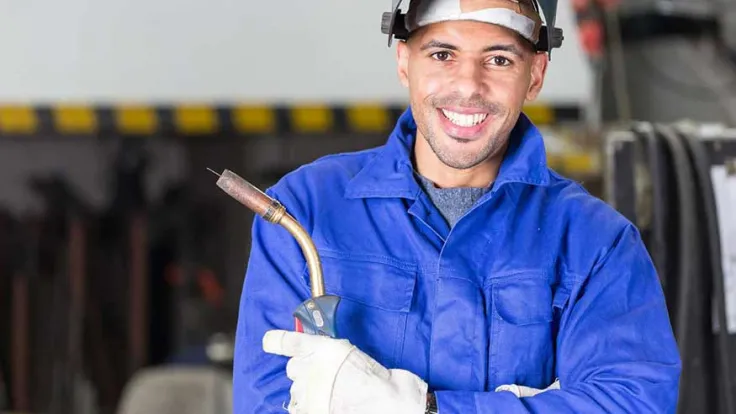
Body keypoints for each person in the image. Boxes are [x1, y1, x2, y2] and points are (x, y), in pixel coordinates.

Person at [232, 0, 682, 412]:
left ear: (537, 74)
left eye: (499, 59)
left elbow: (631, 403)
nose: (468, 86)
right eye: (442, 54)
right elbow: (268, 401)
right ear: (404, 61)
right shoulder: (304, 211)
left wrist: (426, 408)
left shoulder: (595, 243)